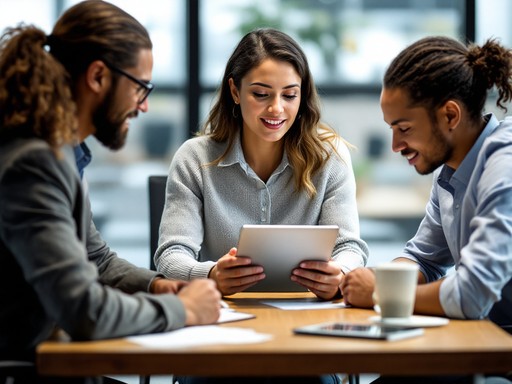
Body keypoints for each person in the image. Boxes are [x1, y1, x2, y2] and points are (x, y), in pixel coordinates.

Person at [0, 1, 221, 382]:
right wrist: (184, 311)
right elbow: (85, 310)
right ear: (99, 76)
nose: (145, 106)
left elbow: (96, 259)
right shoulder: (33, 163)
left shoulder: (62, 152)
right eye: (140, 87)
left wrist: (156, 285)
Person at [155, 27, 368, 384]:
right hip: (219, 336)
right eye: (261, 94)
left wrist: (340, 274)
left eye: (290, 95)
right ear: (234, 91)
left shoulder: (330, 157)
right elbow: (170, 255)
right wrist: (209, 275)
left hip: (307, 333)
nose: (276, 108)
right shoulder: (195, 159)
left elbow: (351, 247)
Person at [341, 36, 512, 383]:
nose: (395, 145)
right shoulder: (450, 170)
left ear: (450, 115)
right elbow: (425, 258)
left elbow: (471, 293)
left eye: (403, 128)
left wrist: (379, 294)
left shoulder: (504, 164)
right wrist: (375, 277)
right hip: (479, 343)